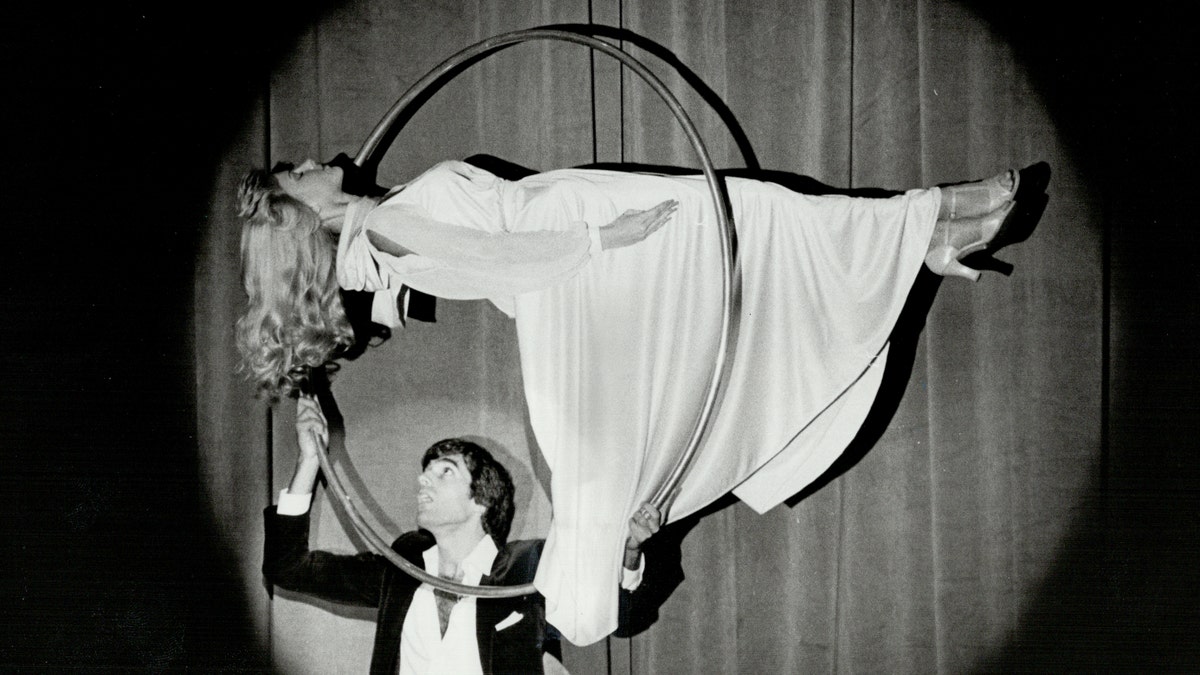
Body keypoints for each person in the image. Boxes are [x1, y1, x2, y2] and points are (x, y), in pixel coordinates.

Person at [239, 155, 1049, 643]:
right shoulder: (379, 234)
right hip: (577, 262)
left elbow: (402, 289)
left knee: (750, 225)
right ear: (301, 205)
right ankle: (924, 231)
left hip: (576, 254)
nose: (315, 159)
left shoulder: (371, 235)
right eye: (298, 171)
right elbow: (494, 256)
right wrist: (602, 241)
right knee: (745, 224)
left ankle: (925, 236)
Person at [264, 395, 661, 674]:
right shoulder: (402, 570)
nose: (422, 479)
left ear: (480, 501)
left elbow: (624, 616)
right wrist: (309, 461)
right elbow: (288, 568)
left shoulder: (529, 572)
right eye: (426, 470)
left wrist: (630, 551)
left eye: (445, 471)